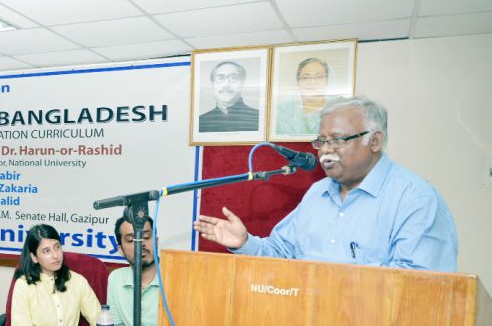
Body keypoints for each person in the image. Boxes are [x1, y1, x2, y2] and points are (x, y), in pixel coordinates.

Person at [193, 96, 458, 271]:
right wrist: (245, 242)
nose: (325, 150)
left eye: (338, 140)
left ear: (375, 141)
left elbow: (421, 289)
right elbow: (282, 253)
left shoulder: (414, 198)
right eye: (321, 141)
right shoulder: (317, 193)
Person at [10, 224, 100, 326]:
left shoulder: (78, 281)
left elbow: (100, 318)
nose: (55, 255)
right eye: (46, 251)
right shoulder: (23, 285)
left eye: (57, 247)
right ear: (34, 257)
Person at [107, 210, 159, 326]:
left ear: (156, 241)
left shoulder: (179, 277)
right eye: (131, 240)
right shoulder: (116, 279)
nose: (141, 244)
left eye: (147, 237)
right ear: (120, 250)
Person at [275, 57, 336, 136]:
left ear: (327, 81)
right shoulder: (283, 112)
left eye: (319, 77)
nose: (312, 82)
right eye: (305, 77)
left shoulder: (336, 111)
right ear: (298, 82)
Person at [198, 61, 259, 133]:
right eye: (220, 78)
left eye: (233, 78)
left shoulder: (257, 118)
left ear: (243, 83)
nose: (226, 85)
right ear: (212, 84)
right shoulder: (201, 122)